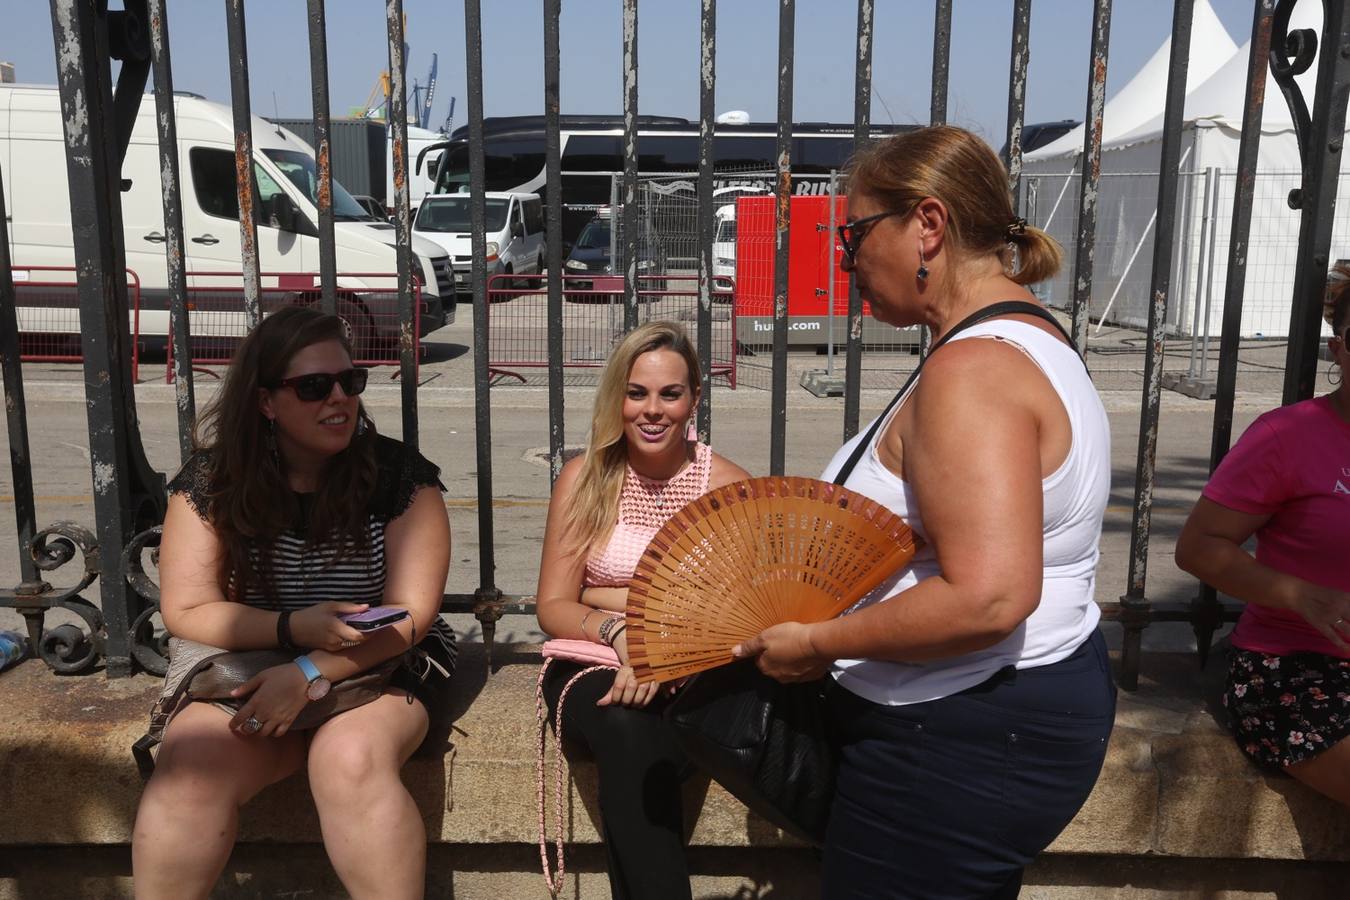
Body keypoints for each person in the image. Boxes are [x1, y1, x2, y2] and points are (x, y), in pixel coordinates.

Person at [733, 126, 1116, 899]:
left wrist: (817, 642)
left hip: (954, 738)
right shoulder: (1021, 340)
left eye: (854, 232)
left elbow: (990, 596)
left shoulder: (972, 371)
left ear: (928, 225)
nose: (845, 259)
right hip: (988, 723)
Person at [132, 306, 456, 900]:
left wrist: (308, 672)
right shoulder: (213, 483)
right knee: (189, 770)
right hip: (251, 662)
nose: (338, 398)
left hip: (378, 668)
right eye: (313, 387)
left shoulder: (400, 477)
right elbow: (188, 611)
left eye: (348, 381)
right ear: (265, 402)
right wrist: (293, 631)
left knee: (349, 759)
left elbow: (410, 616)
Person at [535, 321, 751, 900]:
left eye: (669, 394)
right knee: (627, 725)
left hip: (696, 666)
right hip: (592, 657)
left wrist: (655, 647)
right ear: (618, 398)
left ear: (694, 399)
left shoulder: (728, 487)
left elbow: (736, 614)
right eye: (637, 393)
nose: (652, 410)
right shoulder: (585, 478)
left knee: (640, 738)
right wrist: (620, 628)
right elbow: (554, 604)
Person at [1175, 265, 1350, 807]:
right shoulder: (1288, 435)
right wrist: (1298, 594)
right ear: (1337, 349)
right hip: (1297, 668)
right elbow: (1199, 547)